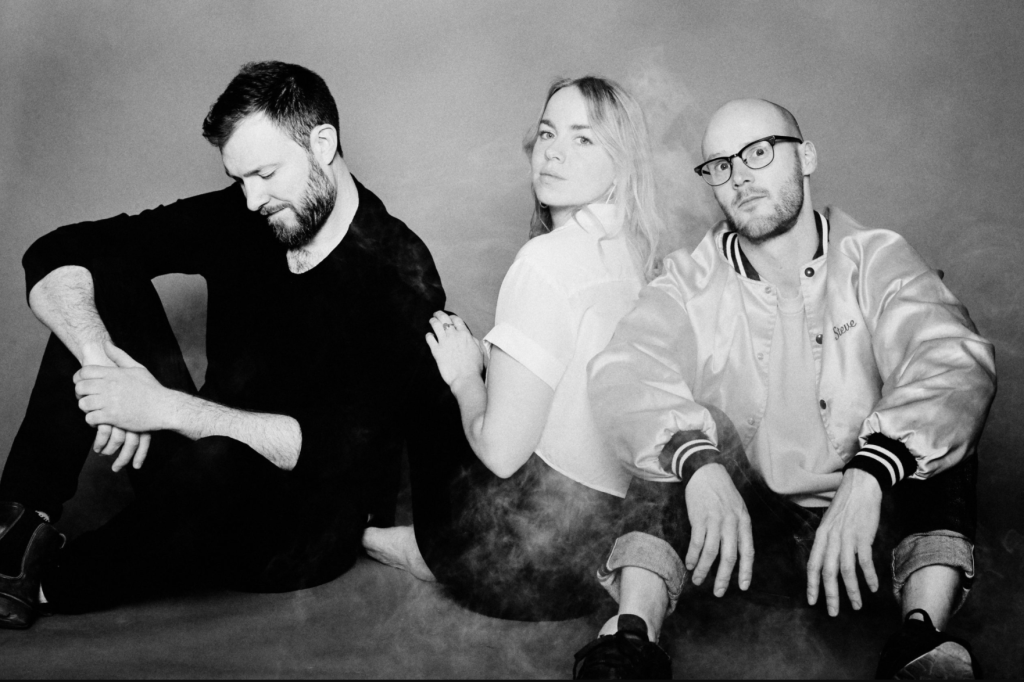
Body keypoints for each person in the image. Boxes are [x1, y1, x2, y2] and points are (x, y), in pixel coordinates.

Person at [0, 61, 452, 627]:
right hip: (194, 470)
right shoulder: (247, 215)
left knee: (225, 460)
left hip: (299, 529)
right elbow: (58, 249)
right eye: (240, 180)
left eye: (265, 173)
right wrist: (103, 365)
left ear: (323, 144)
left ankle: (50, 581)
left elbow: (328, 452)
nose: (252, 199)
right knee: (102, 281)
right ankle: (14, 531)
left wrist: (158, 407)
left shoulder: (398, 274)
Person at [572, 99, 995, 678]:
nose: (739, 176)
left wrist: (871, 474)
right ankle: (630, 639)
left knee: (933, 421)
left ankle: (920, 637)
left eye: (759, 152)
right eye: (721, 165)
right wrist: (699, 465)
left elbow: (952, 362)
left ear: (807, 157)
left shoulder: (876, 256)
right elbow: (625, 371)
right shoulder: (689, 277)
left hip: (868, 536)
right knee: (679, 434)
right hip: (741, 541)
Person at [362, 76, 666, 621]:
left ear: (622, 164)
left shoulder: (544, 261)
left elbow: (501, 454)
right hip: (597, 561)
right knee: (469, 352)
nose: (554, 151)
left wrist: (463, 377)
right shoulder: (638, 255)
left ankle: (422, 546)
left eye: (583, 139)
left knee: (426, 345)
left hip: (514, 571)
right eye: (548, 133)